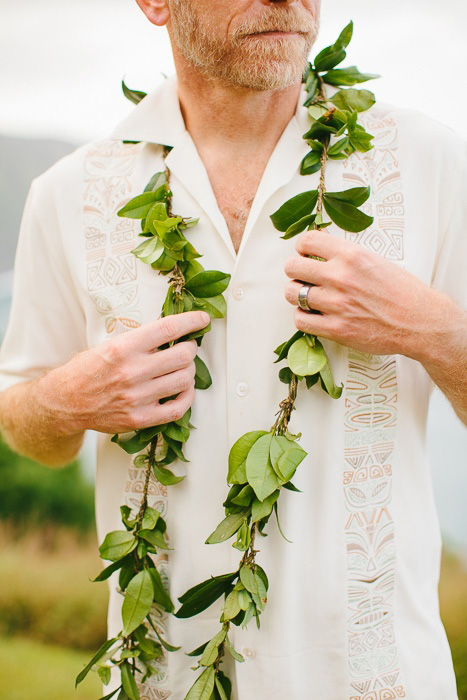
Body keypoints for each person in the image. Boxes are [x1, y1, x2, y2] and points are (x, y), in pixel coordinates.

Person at [0, 0, 466, 698]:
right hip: (159, 677)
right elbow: (25, 424)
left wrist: (429, 330)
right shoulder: (67, 196)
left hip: (381, 681)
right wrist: (65, 400)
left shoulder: (431, 163)